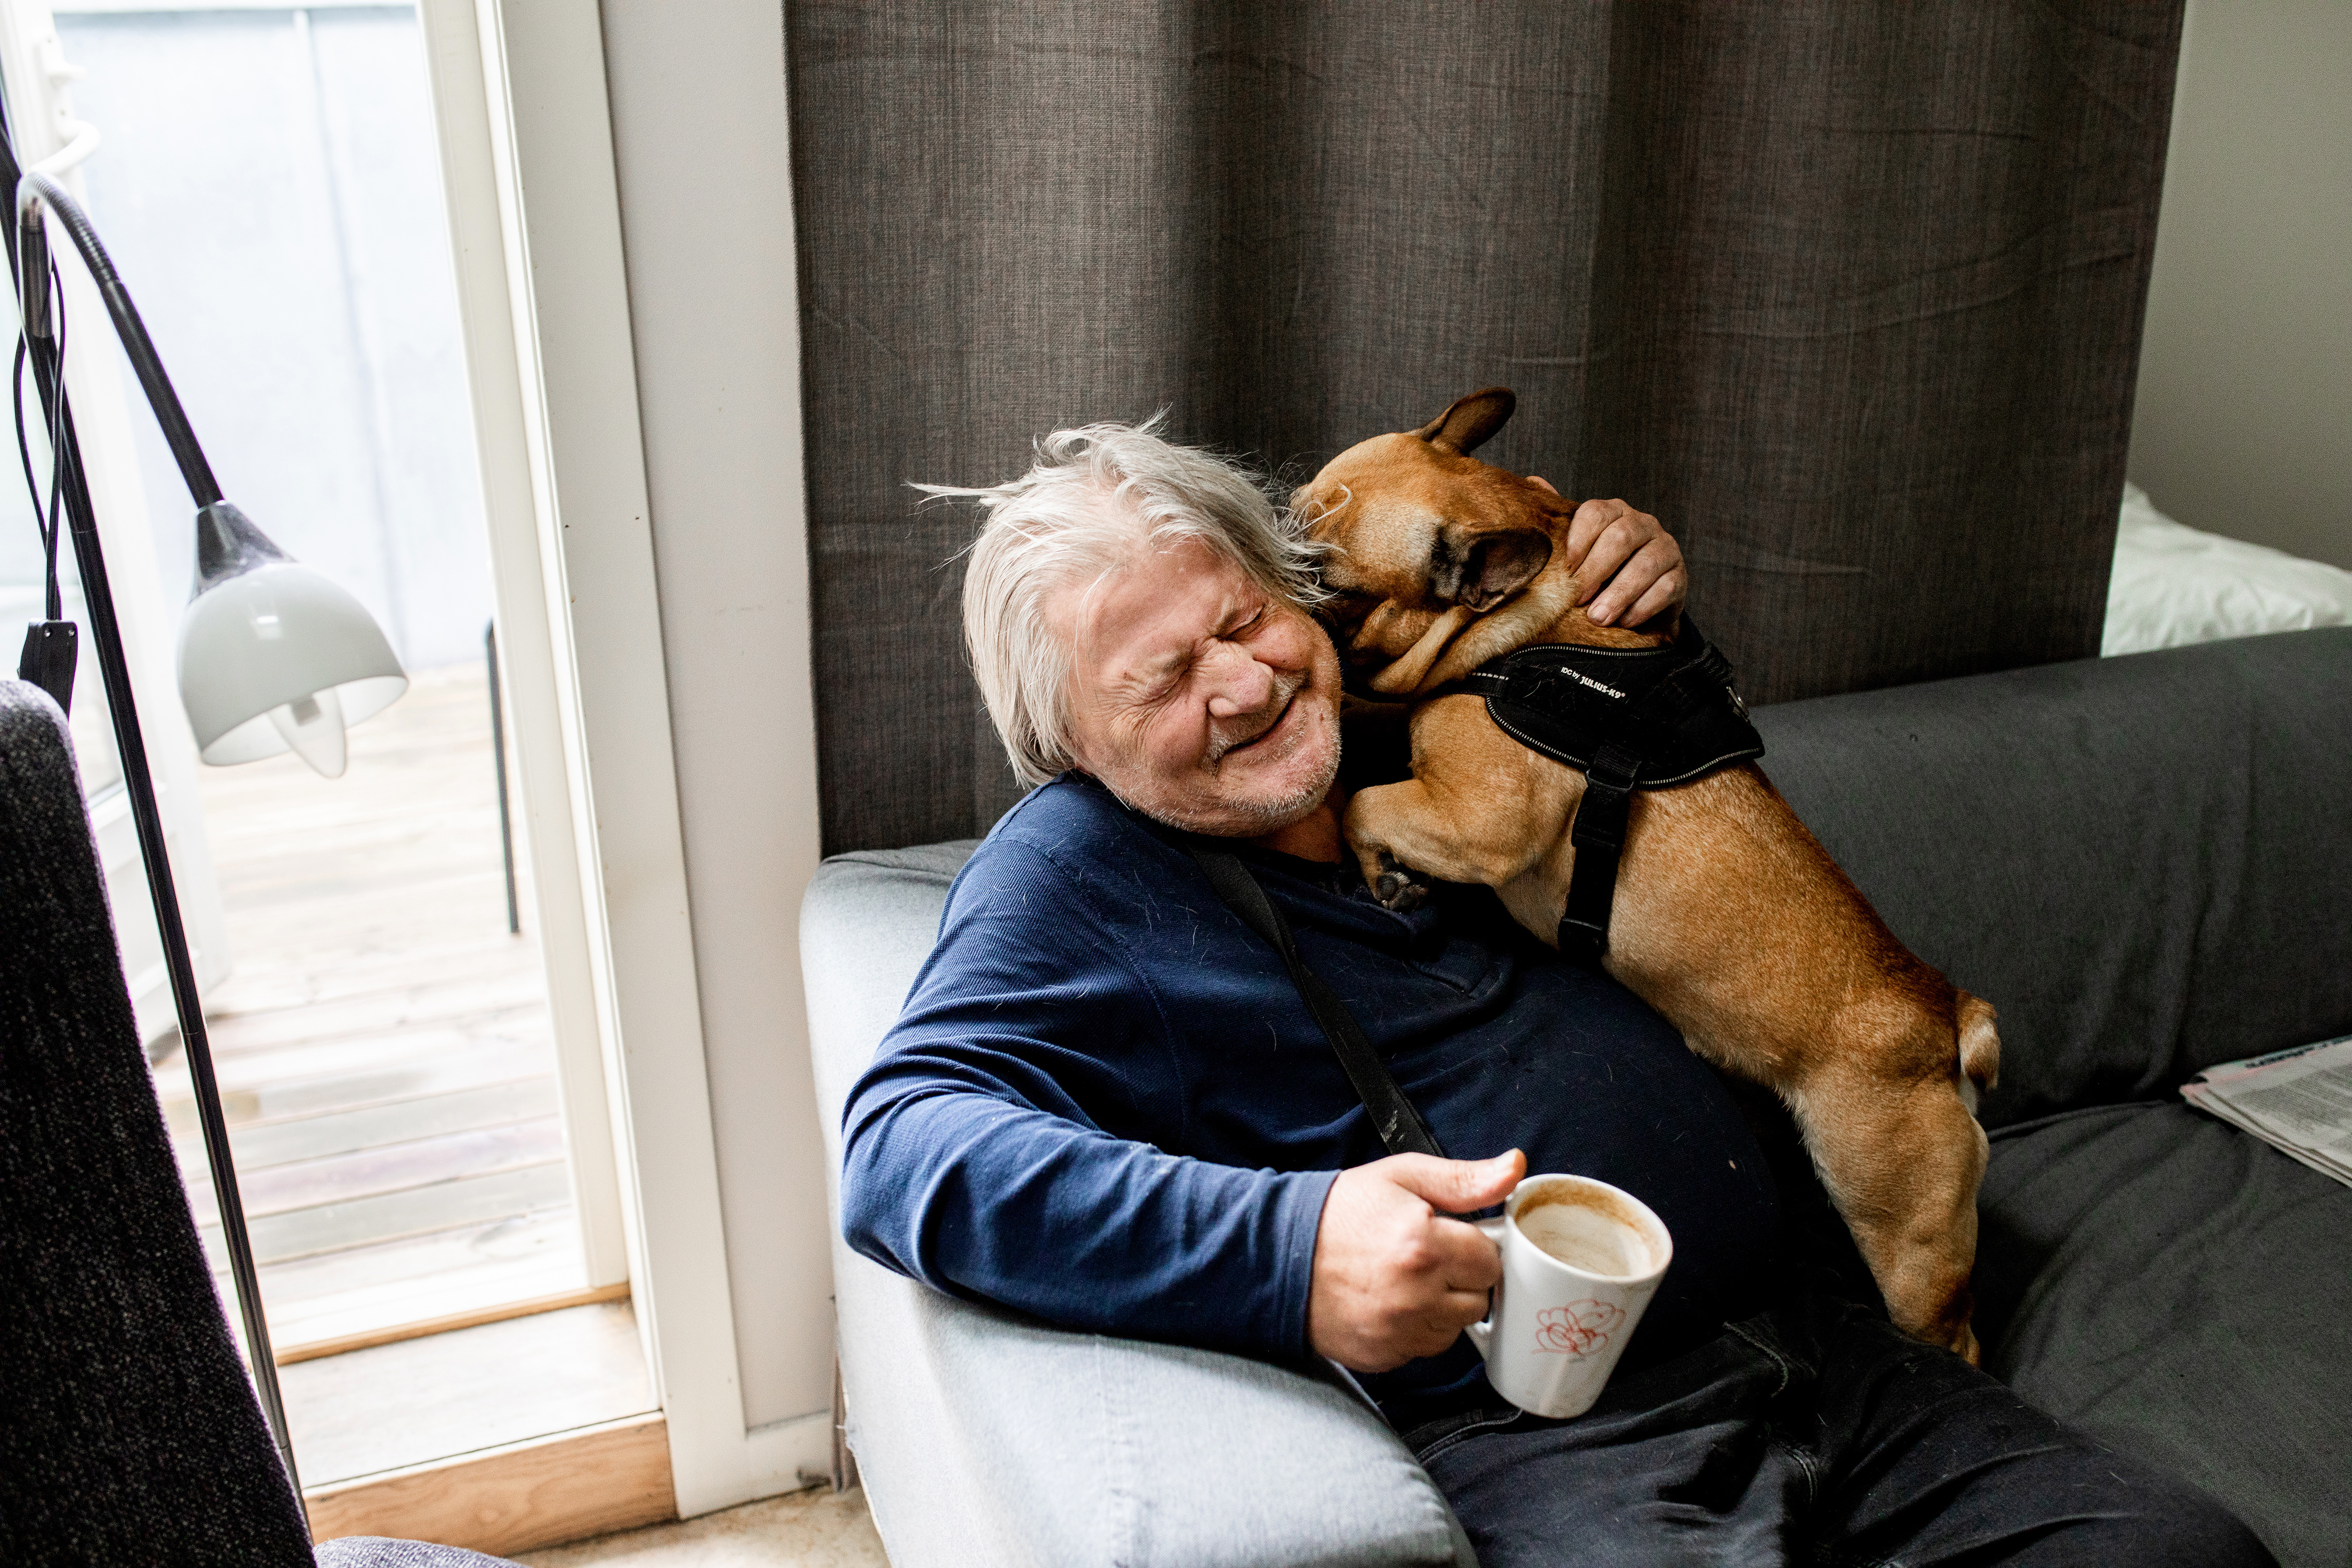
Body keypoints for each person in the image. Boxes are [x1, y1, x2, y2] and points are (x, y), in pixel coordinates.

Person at [839, 420, 2273, 1566]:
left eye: (1243, 621)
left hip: (1830, 1348)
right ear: (1068, 744)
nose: (1241, 686)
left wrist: (1620, 588)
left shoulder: (1406, 687)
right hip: (1566, 1431)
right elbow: (904, 1151)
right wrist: (1293, 1246)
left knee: (2183, 1549)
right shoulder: (1078, 875)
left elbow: (1686, 814)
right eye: (1159, 681)